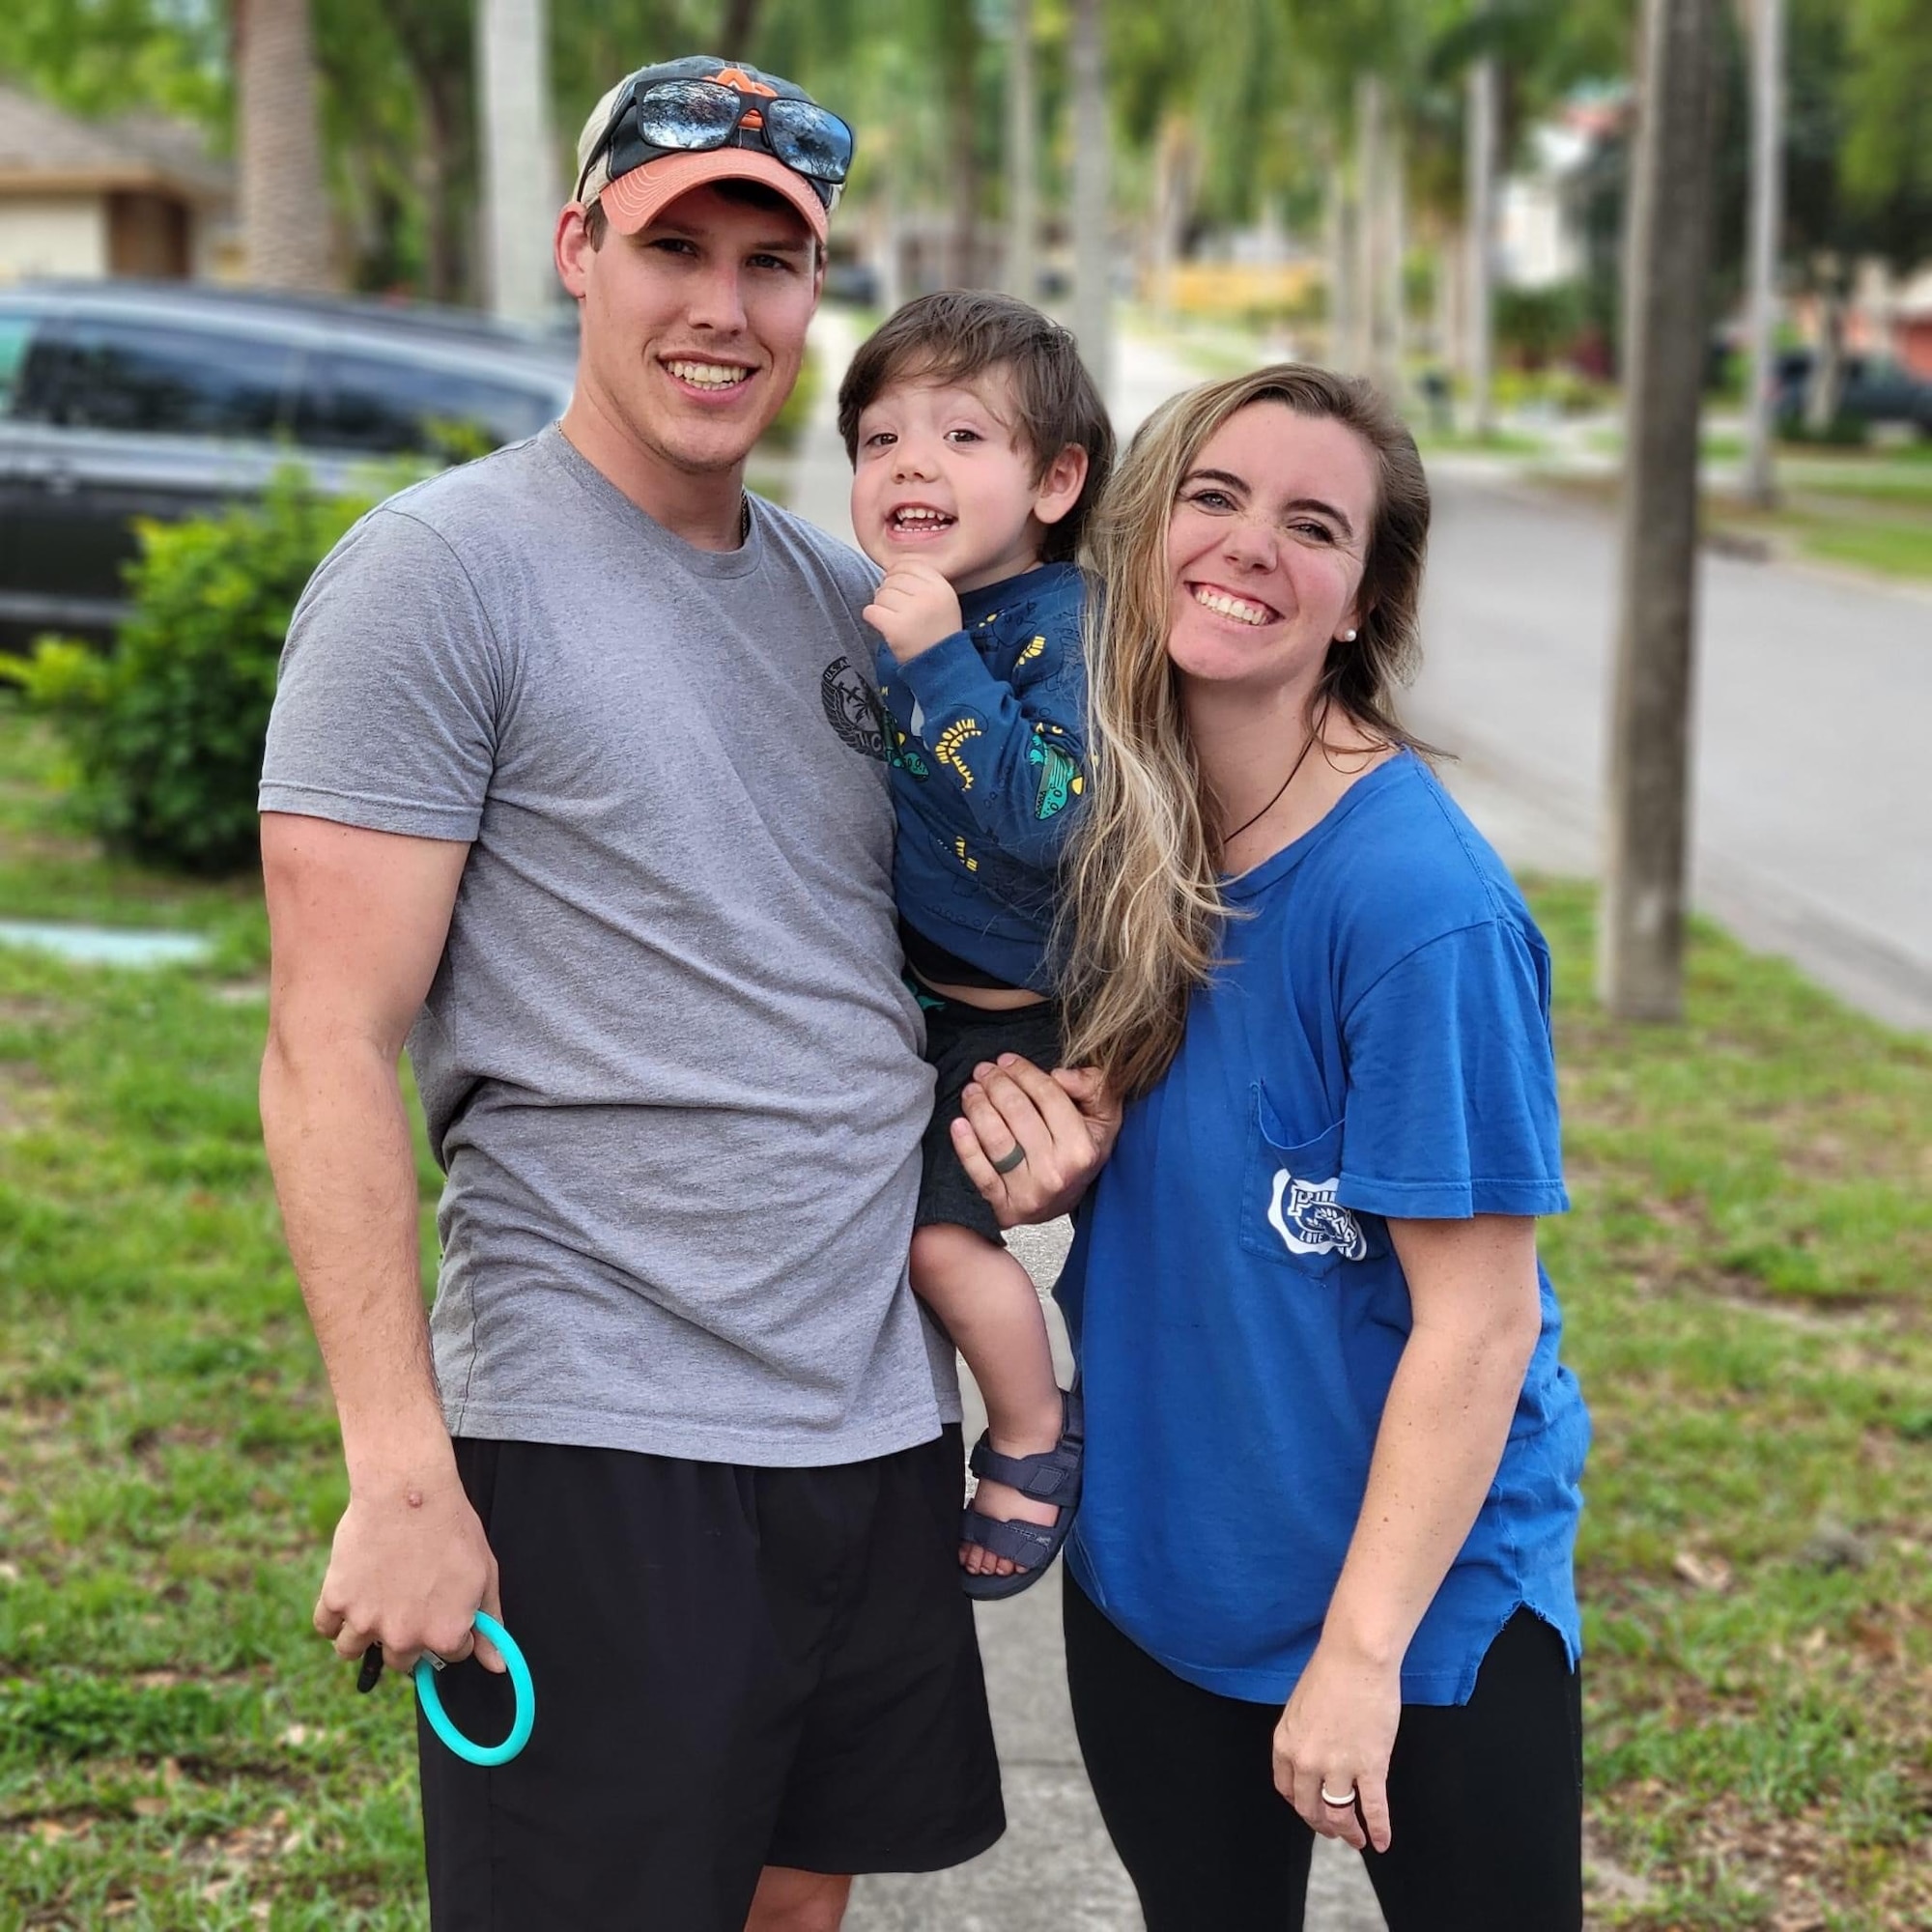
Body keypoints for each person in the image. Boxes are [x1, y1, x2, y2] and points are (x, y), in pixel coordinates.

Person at [256, 53, 1106, 1932]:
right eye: (674, 246)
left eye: (770, 260)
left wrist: (1062, 1105)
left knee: (796, 1907)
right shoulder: (434, 578)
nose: (722, 307)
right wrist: (398, 1465)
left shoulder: (858, 602)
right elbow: (325, 1044)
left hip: (869, 1419)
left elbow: (950, 951)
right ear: (580, 249)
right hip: (598, 1432)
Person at [993, 363, 1592, 1930]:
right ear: (1147, 531)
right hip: (1162, 1571)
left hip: (1421, 1606)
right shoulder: (1129, 821)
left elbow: (1481, 1321)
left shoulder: (1420, 913)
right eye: (1216, 496)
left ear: (1358, 604)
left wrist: (1362, 1654)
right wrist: (1056, 1158)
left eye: (1312, 524)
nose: (1252, 544)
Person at [837, 292, 1114, 1594]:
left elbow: (1053, 823)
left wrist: (944, 666)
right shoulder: (894, 606)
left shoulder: (1071, 627)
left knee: (944, 1244)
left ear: (1055, 480)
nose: (912, 465)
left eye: (960, 435)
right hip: (922, 1005)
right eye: (880, 439)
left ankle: (1032, 1429)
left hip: (1035, 1018)